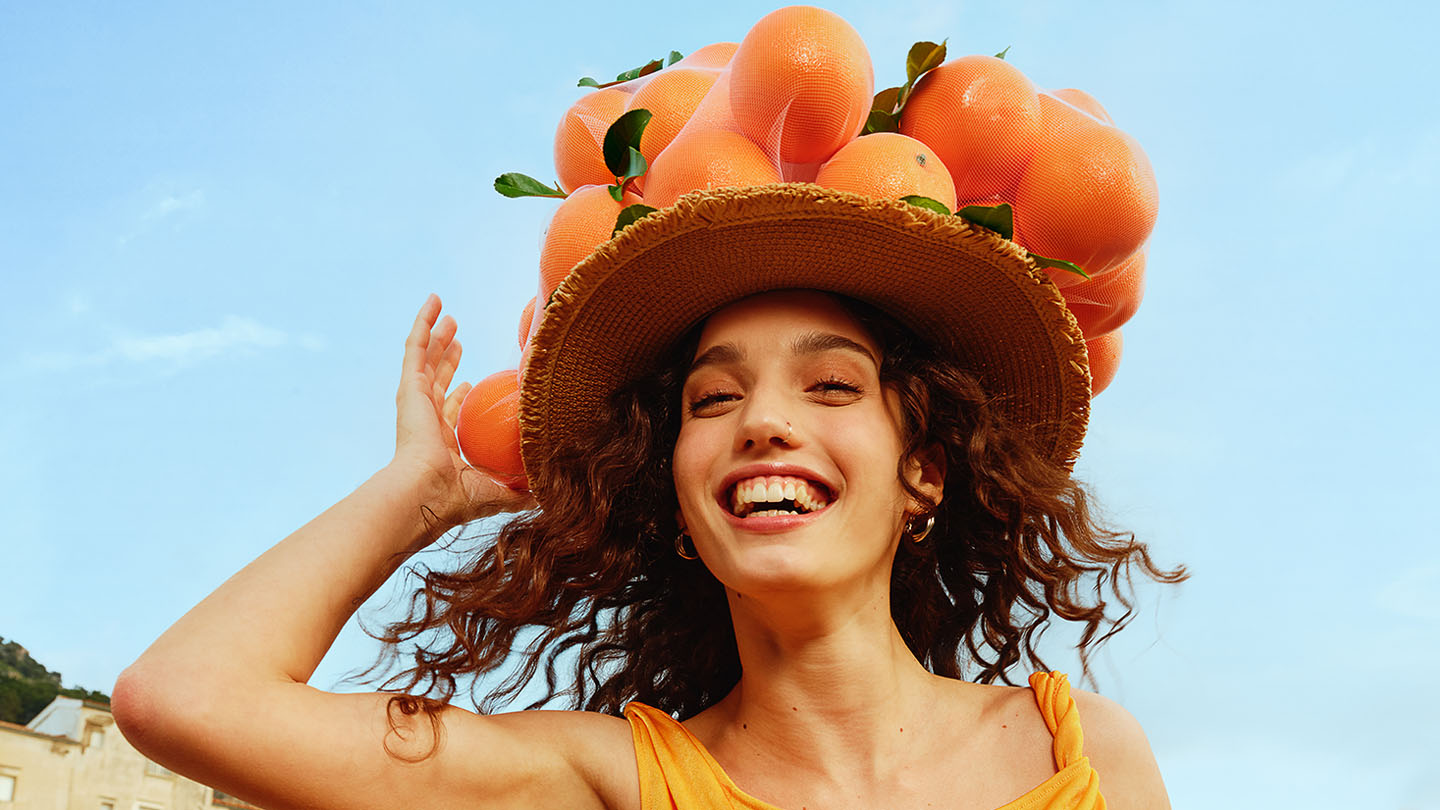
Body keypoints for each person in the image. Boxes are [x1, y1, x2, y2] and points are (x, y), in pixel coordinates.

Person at [113, 185, 1183, 810]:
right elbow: (182, 699)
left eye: (831, 386)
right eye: (712, 399)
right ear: (676, 499)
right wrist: (420, 494)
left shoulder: (1081, 754)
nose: (763, 422)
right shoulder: (610, 783)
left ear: (925, 474)